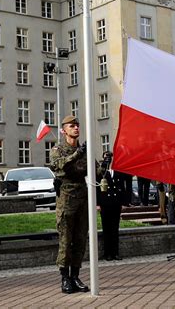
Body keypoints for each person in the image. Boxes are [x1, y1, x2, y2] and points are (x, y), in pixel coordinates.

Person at [50, 115, 102, 294]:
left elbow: (96, 172)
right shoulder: (58, 149)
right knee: (66, 240)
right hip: (66, 197)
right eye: (72, 126)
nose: (76, 128)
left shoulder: (84, 150)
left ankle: (75, 275)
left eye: (78, 126)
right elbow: (59, 166)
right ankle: (65, 278)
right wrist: (77, 154)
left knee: (80, 239)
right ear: (64, 130)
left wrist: (106, 162)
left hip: (83, 197)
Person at [97, 151, 123, 261]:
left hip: (115, 203)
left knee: (115, 229)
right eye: (106, 157)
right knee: (106, 229)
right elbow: (98, 186)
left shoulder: (116, 171)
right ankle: (107, 253)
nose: (108, 159)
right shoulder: (101, 171)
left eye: (110, 157)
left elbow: (122, 186)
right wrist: (98, 203)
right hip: (105, 203)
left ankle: (115, 252)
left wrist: (123, 202)